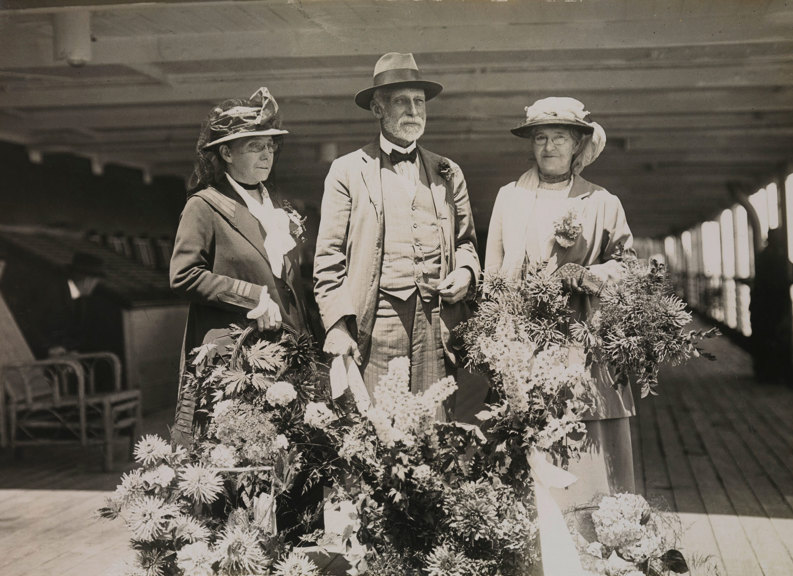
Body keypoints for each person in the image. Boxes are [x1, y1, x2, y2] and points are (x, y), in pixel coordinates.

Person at [486, 96, 636, 506]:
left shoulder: (603, 201)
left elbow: (629, 266)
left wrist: (592, 275)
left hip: (583, 339)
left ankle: (596, 538)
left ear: (577, 145)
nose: (548, 146)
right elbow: (494, 275)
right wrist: (498, 339)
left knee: (587, 441)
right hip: (526, 340)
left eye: (559, 137)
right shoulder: (510, 198)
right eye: (540, 138)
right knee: (529, 436)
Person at [313, 53, 481, 417]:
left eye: (419, 102)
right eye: (402, 101)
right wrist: (337, 325)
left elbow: (467, 242)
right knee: (379, 432)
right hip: (377, 323)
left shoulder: (447, 171)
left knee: (433, 431)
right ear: (378, 108)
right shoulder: (347, 171)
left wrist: (466, 274)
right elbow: (328, 260)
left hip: (436, 322)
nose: (413, 111)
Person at [170, 87, 312, 446]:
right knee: (242, 472)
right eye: (255, 147)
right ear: (226, 153)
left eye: (270, 146)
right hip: (238, 358)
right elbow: (183, 275)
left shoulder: (278, 205)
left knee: (291, 468)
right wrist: (251, 297)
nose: (267, 155)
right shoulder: (205, 205)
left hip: (288, 357)